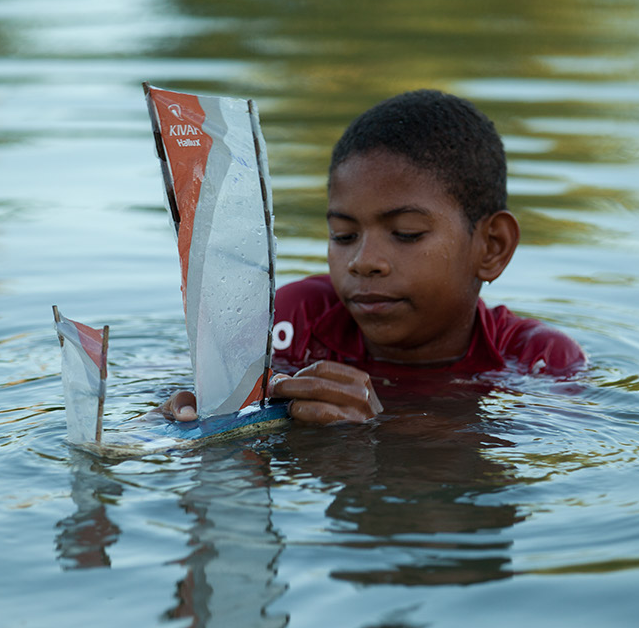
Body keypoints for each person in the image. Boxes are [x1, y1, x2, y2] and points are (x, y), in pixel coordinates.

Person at [163, 89, 585, 425]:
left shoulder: (538, 363)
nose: (363, 262)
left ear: (492, 247)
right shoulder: (293, 323)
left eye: (406, 233)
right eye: (343, 235)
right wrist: (185, 414)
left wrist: (374, 431)